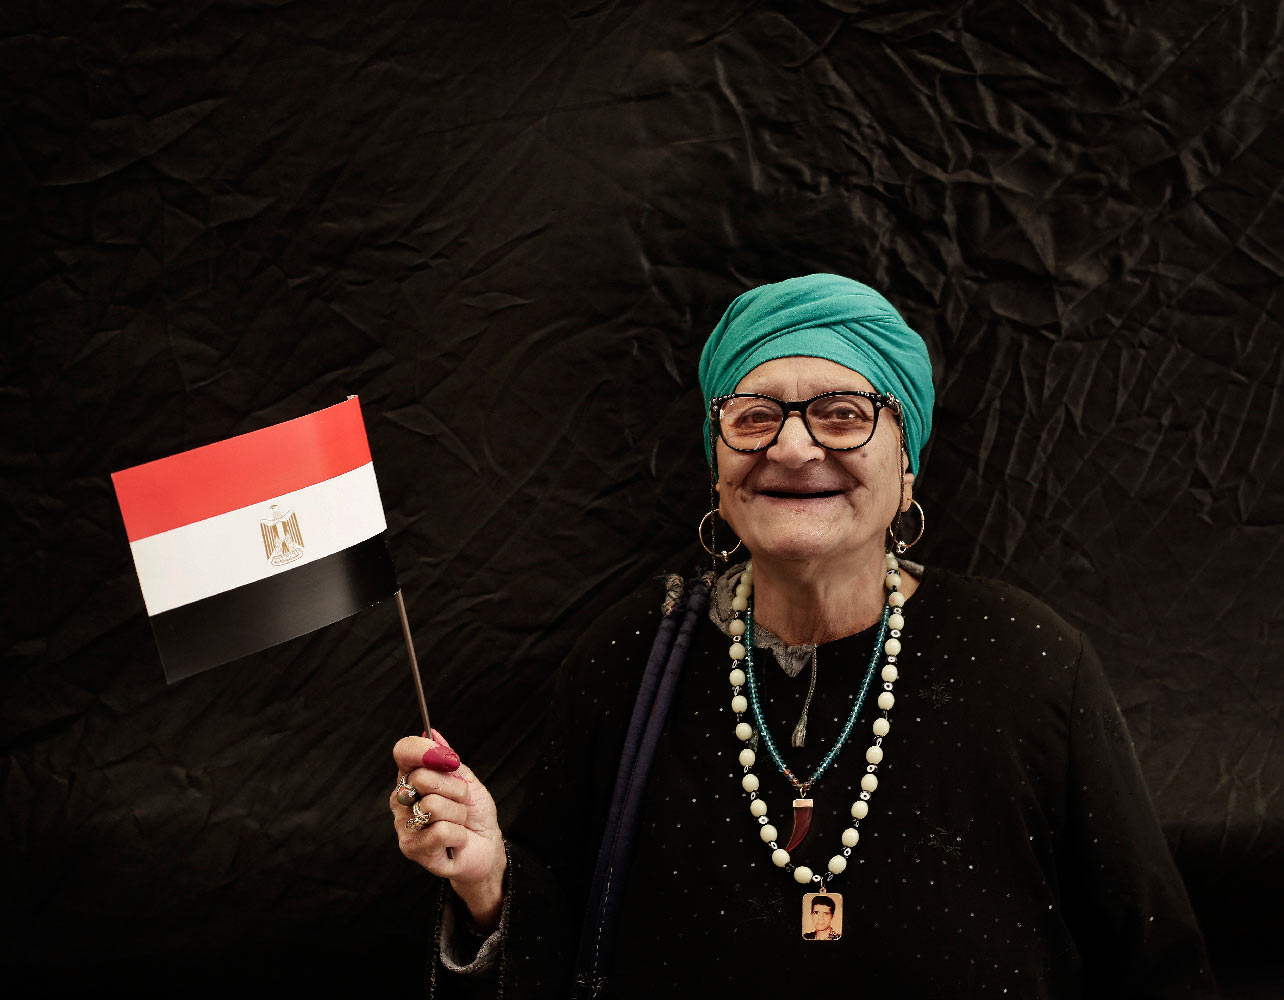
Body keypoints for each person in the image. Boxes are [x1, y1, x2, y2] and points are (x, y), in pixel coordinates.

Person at [390, 274, 1219, 998]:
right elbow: (557, 948)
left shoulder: (1031, 663)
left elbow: (1155, 969)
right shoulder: (625, 662)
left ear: (909, 466)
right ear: (717, 466)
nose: (792, 446)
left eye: (843, 414)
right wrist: (491, 882)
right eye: (753, 417)